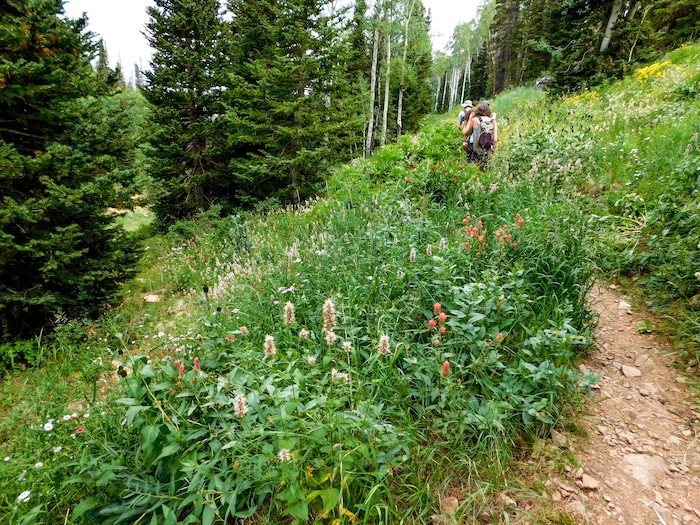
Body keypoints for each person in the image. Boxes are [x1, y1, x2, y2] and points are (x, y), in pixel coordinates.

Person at [462, 101, 497, 167]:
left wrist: (470, 119)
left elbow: (466, 132)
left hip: (474, 147)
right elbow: (495, 139)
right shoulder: (493, 121)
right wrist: (494, 151)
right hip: (487, 147)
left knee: (471, 167)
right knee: (483, 168)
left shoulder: (475, 119)